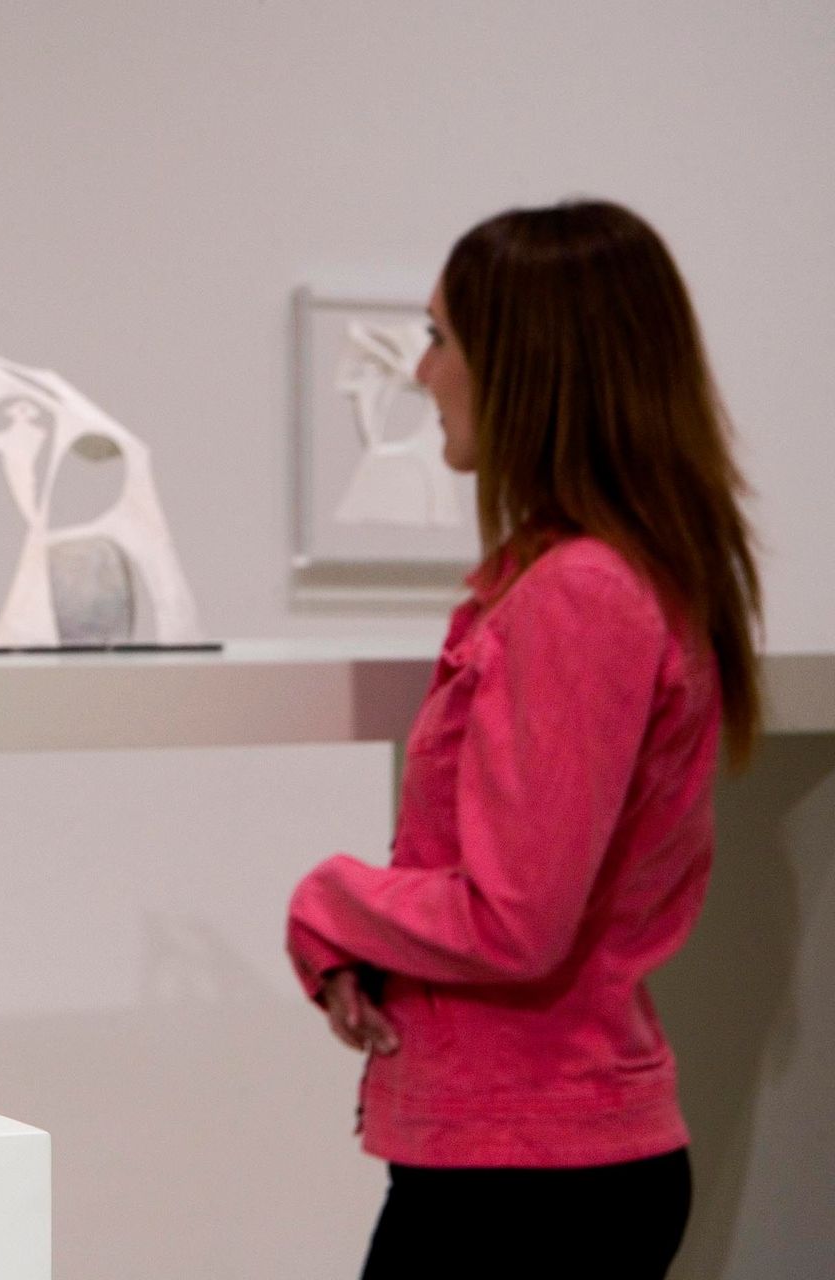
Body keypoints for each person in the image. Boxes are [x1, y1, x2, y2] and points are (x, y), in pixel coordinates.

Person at [286, 200, 762, 1279]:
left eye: (440, 337)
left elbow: (514, 917)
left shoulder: (580, 594)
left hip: (528, 1181)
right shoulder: (599, 579)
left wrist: (329, 900)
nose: (422, 374)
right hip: (536, 1164)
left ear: (527, 365)